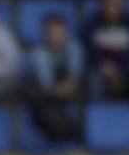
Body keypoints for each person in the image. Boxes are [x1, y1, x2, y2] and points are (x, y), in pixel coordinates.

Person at [25, 13, 85, 142]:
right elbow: (46, 85)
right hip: (50, 95)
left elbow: (74, 78)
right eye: (50, 32)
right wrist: (59, 90)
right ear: (44, 33)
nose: (54, 35)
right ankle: (67, 130)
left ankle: (59, 130)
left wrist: (66, 88)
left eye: (58, 32)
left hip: (71, 92)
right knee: (32, 89)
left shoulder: (74, 47)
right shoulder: (39, 52)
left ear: (65, 32)